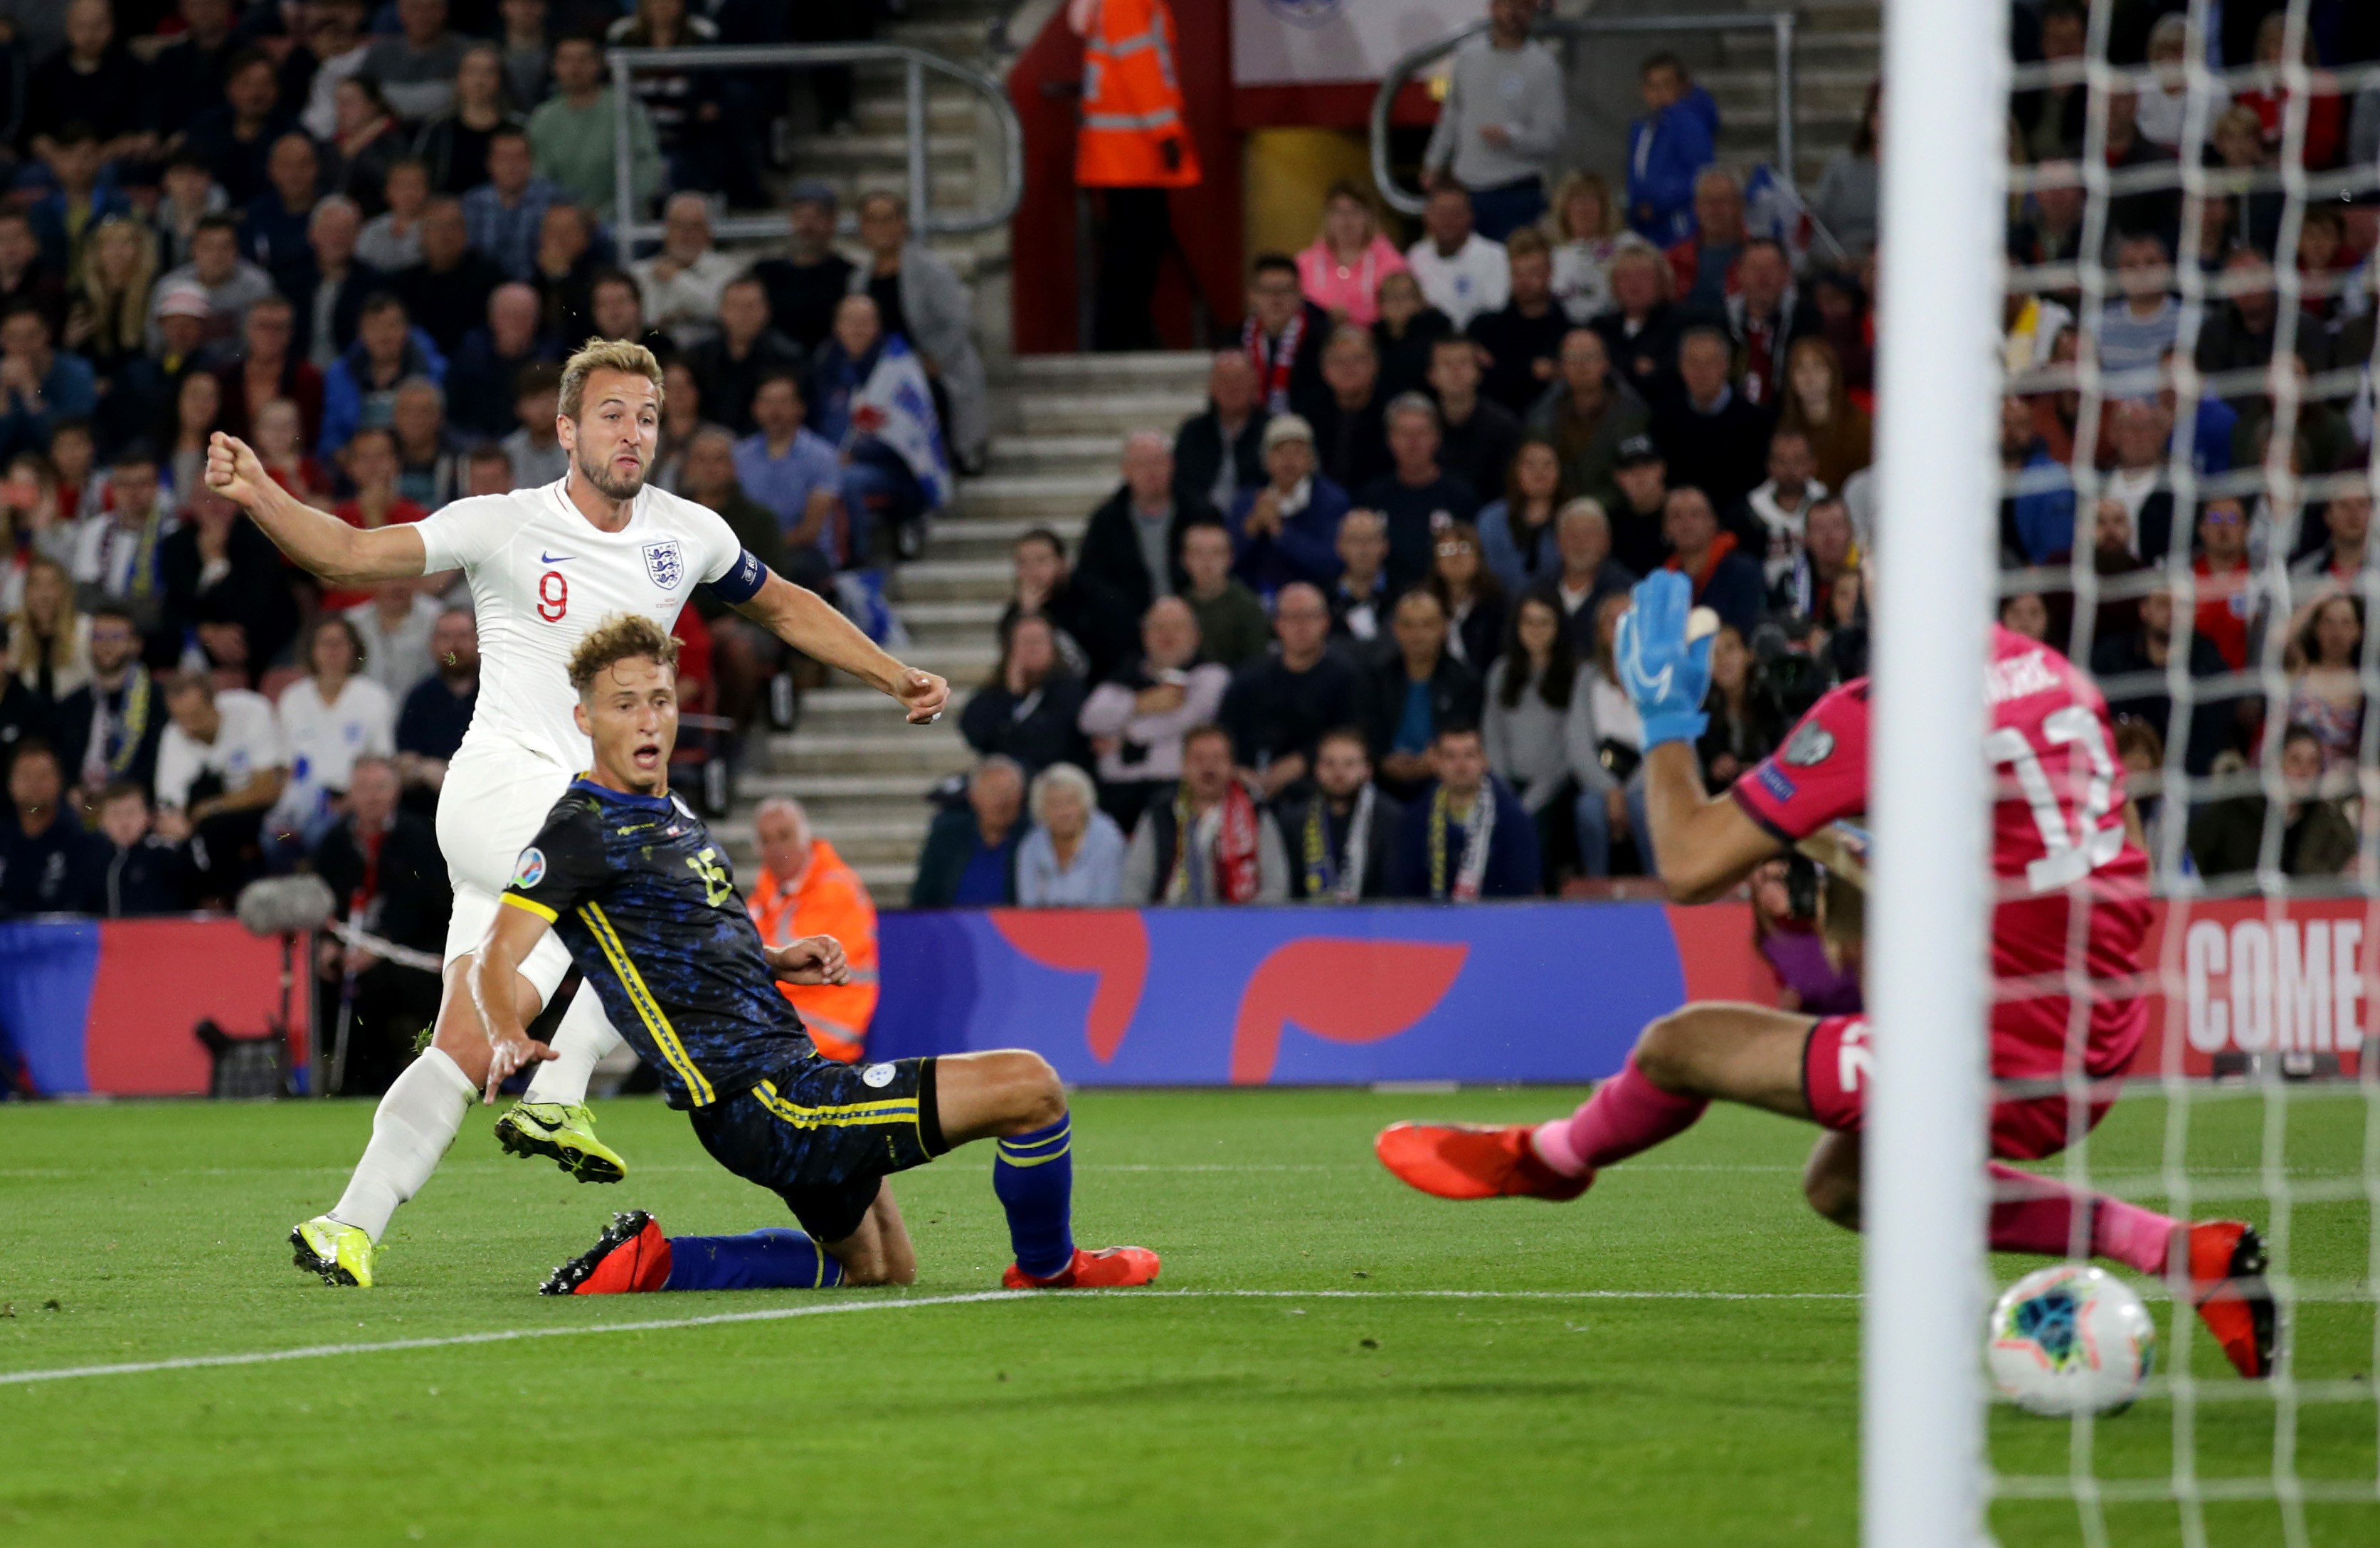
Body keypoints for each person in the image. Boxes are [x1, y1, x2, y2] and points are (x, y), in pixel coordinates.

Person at [1391, 571, 2283, 1387]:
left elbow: (1691, 862)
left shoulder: (1885, 710)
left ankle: (1551, 1160)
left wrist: (1663, 720)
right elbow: (2098, 835)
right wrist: (1864, 851)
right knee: (1846, 1184)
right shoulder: (2056, 680)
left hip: (2000, 1053)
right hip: (2101, 1032)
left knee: (1679, 1046)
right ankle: (2176, 1250)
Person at [202, 337, 950, 1290]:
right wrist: (262, 492)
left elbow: (788, 606)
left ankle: (349, 1224)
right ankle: (558, 1095)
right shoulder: (505, 523)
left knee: (464, 1046)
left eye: (645, 415)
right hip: (499, 791)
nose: (630, 431)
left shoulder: (689, 531)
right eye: (610, 414)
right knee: (637, 889)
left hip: (571, 824)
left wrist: (892, 674)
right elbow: (347, 553)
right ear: (566, 429)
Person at [477, 618, 1157, 1295]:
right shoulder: (579, 830)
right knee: (1031, 1086)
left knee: (884, 1267)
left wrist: (776, 957)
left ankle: (657, 1261)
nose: (648, 719)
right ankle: (1048, 1267)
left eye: (660, 698)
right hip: (765, 1100)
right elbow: (497, 952)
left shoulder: (668, 811)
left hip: (783, 1075)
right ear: (585, 717)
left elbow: (690, 935)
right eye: (624, 703)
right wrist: (509, 1031)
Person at [312, 755, 449, 1095]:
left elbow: (428, 904)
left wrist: (381, 943)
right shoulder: (333, 844)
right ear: (350, 794)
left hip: (410, 952)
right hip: (352, 949)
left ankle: (389, 1079)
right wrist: (328, 943)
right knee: (326, 985)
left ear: (396, 792)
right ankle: (341, 1081)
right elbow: (324, 902)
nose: (372, 797)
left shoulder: (421, 837)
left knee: (383, 985)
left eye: (381, 787)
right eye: (363, 788)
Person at [1074, 0, 1200, 353]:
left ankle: (1127, 334)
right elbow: (1140, 67)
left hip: (1126, 148)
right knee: (1134, 249)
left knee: (1134, 247)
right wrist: (1165, 131)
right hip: (1131, 148)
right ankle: (1118, 339)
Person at [850, 191, 990, 471]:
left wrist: (933, 360)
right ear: (863, 228)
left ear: (903, 224)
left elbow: (958, 320)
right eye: (873, 220)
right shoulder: (858, 280)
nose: (881, 228)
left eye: (888, 219)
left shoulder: (930, 270)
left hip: (932, 369)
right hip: (880, 372)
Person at [746, 796, 879, 1064]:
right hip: (788, 1034)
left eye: (785, 836)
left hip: (827, 1037)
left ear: (806, 836)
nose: (776, 848)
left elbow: (788, 969)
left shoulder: (834, 890)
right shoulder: (767, 893)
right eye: (766, 840)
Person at [1078, 596, 1231, 831]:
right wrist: (1140, 704)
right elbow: (1089, 719)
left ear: (1195, 636)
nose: (1167, 635)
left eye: (1177, 627)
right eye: (1159, 627)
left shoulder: (1211, 676)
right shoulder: (1123, 677)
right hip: (1117, 795)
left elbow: (1186, 721)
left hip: (1178, 792)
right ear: (1145, 636)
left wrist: (1123, 738)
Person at [1483, 592, 1597, 882]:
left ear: (1558, 628)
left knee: (1534, 838)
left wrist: (1530, 802)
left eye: (1544, 623)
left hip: (1555, 787)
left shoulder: (1578, 674)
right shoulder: (1501, 671)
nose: (1535, 630)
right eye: (1528, 622)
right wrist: (1504, 791)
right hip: (1506, 784)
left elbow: (1569, 745)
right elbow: (1492, 736)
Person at [265, 615, 397, 860]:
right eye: (324, 644)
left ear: (353, 649)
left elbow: (381, 762)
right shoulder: (293, 698)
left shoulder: (374, 697)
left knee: (322, 836)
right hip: (301, 801)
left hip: (350, 800)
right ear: (312, 651)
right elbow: (284, 765)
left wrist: (349, 802)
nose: (332, 652)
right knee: (272, 838)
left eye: (339, 644)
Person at [152, 670, 286, 903]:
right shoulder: (174, 735)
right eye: (180, 718)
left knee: (216, 826)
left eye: (194, 716)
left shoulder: (250, 711)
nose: (188, 727)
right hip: (210, 820)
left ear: (213, 701)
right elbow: (170, 805)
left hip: (267, 811)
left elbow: (268, 790)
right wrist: (177, 824)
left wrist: (212, 807)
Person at [1219, 581, 1360, 803]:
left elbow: (1352, 736)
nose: (1301, 626)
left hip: (1318, 788)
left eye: (1309, 617)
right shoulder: (1248, 679)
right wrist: (1237, 770)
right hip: (1248, 786)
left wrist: (1303, 761)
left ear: (1325, 622)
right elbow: (1223, 734)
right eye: (1292, 617)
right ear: (1277, 624)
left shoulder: (1347, 677)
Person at [1120, 722, 1289, 905]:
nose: (1209, 768)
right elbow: (1133, 886)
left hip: (1239, 926)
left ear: (1232, 766)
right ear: (1183, 766)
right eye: (1198, 759)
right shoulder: (1160, 815)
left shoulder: (1255, 814)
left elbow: (1276, 886)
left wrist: (1247, 924)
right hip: (1169, 925)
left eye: (1218, 759)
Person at [1388, 723, 1537, 900]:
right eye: (1450, 756)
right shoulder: (1414, 820)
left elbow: (1521, 889)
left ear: (1484, 761)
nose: (1461, 765)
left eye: (1470, 755)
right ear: (1435, 762)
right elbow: (1402, 890)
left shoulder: (1514, 819)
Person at [2187, 726, 2357, 881]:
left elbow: (2347, 866)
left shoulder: (2329, 819)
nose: (2305, 771)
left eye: (2313, 763)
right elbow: (2193, 862)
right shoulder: (2234, 808)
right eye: (2295, 760)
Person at [1360, 588, 1483, 801]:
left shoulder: (1464, 682)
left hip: (1443, 783)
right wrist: (1384, 761)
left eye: (1427, 625)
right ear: (1396, 629)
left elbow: (1467, 735)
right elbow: (1367, 732)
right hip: (1380, 784)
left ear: (1443, 628)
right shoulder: (1376, 678)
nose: (1417, 635)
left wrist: (1432, 761)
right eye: (1409, 625)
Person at [526, 33, 662, 223]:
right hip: (561, 225)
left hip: (621, 221)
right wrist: (567, 218)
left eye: (583, 60)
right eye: (566, 60)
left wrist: (604, 216)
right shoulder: (542, 118)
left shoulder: (626, 109)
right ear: (555, 66)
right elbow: (538, 179)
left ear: (599, 64)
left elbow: (647, 171)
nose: (575, 68)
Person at [1077, 431, 1210, 617]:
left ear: (1171, 465)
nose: (1151, 471)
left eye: (1157, 462)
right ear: (1126, 470)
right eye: (1141, 464)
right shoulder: (1106, 522)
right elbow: (1092, 580)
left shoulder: (1199, 514)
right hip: (1128, 625)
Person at [1357, 394, 1480, 594]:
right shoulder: (1372, 498)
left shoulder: (1460, 498)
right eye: (1403, 433)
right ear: (1390, 439)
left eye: (1421, 432)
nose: (1413, 442)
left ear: (1436, 437)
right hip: (1383, 599)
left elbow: (1469, 555)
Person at [1651, 326, 1772, 515]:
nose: (1701, 371)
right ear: (1681, 367)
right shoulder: (1664, 420)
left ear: (1726, 365)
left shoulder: (1756, 422)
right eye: (1694, 363)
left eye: (1710, 363)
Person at [1528, 330, 1651, 515]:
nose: (1581, 364)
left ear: (1605, 363)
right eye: (1572, 357)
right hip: (1556, 513)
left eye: (1590, 356)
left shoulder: (1632, 412)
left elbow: (1637, 473)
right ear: (1561, 366)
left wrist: (1587, 510)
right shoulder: (1542, 415)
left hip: (1618, 513)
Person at [733, 374, 847, 572]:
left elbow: (810, 530)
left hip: (806, 554)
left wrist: (764, 548)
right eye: (767, 402)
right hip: (750, 553)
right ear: (755, 409)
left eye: (783, 402)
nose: (775, 411)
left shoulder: (822, 456)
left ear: (800, 408)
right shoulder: (740, 456)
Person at [50, 604, 164, 803]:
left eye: (116, 637)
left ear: (135, 644)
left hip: (134, 807)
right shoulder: (72, 704)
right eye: (99, 637)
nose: (106, 644)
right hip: (83, 810)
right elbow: (62, 767)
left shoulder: (158, 700)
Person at [1276, 726, 1401, 902]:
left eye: (1349, 764)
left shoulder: (1391, 819)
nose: (1339, 773)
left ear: (1367, 770)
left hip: (1374, 924)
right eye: (1329, 764)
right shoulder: (1294, 820)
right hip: (1312, 924)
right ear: (1317, 769)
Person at [1000, 526, 1135, 689]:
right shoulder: (1016, 615)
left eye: (1041, 561)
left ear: (1062, 563)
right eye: (1023, 563)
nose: (1032, 571)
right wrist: (1029, 616)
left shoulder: (1097, 601)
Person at [1227, 413, 1345, 599]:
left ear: (1311, 459)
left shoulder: (1330, 500)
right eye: (1280, 452)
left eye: (1297, 452)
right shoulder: (1248, 500)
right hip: (1257, 600)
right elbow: (1227, 561)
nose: (1288, 461)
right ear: (1265, 459)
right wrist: (1251, 528)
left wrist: (1280, 531)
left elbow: (1331, 562)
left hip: (1315, 600)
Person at [961, 614, 1090, 778]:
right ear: (1010, 649)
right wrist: (1011, 696)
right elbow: (975, 732)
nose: (1033, 648)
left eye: (1039, 641)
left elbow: (1054, 742)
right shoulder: (995, 692)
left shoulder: (1070, 690)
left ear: (1052, 646)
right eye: (1026, 642)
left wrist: (1008, 733)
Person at [1466, 229, 1570, 418]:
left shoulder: (1569, 331)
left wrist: (1501, 368)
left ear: (1549, 272)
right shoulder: (1484, 328)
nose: (1525, 281)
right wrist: (1533, 372)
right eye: (1517, 273)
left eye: (1533, 272)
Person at [688, 276, 805, 441]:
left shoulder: (787, 358)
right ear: (722, 311)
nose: (743, 315)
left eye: (750, 307)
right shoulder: (700, 356)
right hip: (710, 445)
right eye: (735, 307)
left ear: (766, 310)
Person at [750, 182, 857, 359]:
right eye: (800, 216)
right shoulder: (765, 272)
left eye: (816, 217)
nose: (807, 225)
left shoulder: (848, 275)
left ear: (832, 222)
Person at [1624, 51, 1718, 246]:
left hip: (1680, 228)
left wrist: (1658, 204)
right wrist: (1637, 205)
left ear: (1683, 87)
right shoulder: (1643, 129)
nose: (1659, 93)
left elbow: (1701, 175)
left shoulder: (1689, 125)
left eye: (1667, 85)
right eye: (1653, 86)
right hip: (1647, 227)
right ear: (1644, 90)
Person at [0, 739, 104, 915]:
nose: (35, 784)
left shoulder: (83, 844)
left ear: (60, 781)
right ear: (10, 784)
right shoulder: (4, 838)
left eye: (43, 775)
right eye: (26, 775)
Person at [911, 756, 1027, 909]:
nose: (1002, 801)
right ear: (973, 796)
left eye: (1008, 792)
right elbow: (922, 898)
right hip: (952, 927)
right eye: (993, 792)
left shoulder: (1030, 840)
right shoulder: (947, 837)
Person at [633, 194, 742, 352]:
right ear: (667, 230)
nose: (686, 234)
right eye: (678, 226)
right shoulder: (642, 274)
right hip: (658, 355)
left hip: (713, 359)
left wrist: (677, 278)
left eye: (695, 226)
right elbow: (646, 320)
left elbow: (720, 308)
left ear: (709, 231)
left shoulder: (729, 270)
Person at [1015, 761, 1127, 907]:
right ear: (1041, 810)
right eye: (1054, 804)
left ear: (1085, 803)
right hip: (1043, 928)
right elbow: (1028, 906)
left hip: (1099, 926)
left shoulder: (1108, 840)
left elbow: (1107, 905)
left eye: (1071, 802)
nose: (1064, 812)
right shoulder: (1031, 845)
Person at [1427, 330, 1521, 503]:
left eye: (1463, 363)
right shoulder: (1421, 427)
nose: (1456, 372)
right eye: (1447, 364)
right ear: (1432, 376)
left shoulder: (1503, 427)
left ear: (1479, 372)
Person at [1296, 183, 1410, 327]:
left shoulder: (1393, 265)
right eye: (1338, 212)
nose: (1346, 220)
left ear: (1369, 217)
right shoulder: (1303, 263)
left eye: (1355, 212)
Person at [1173, 352, 1267, 522]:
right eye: (1224, 380)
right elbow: (1182, 485)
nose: (1232, 387)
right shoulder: (1193, 432)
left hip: (1256, 524)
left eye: (1239, 379)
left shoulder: (1271, 429)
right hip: (1201, 524)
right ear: (1212, 387)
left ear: (1254, 383)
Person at [394, 605, 478, 798]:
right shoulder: (420, 698)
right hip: (429, 806)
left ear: (479, 640)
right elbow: (404, 760)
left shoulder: (497, 693)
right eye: (446, 637)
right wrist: (424, 770)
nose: (454, 646)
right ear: (433, 644)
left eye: (463, 636)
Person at [1660, 486, 1765, 638]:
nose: (1686, 524)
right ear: (1666, 528)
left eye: (1695, 515)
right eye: (1676, 516)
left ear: (1712, 522)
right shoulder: (1662, 581)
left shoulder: (1743, 572)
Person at [1405, 183, 1508, 332]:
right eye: (1441, 213)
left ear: (1470, 216)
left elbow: (1495, 312)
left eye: (1455, 213)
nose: (1448, 221)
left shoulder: (1494, 256)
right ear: (1427, 216)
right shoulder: (1416, 255)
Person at [80, 780, 192, 917]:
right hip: (106, 937)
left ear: (148, 817)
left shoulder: (165, 856)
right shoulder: (91, 861)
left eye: (131, 813)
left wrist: (188, 840)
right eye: (116, 814)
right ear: (102, 821)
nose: (124, 822)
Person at [1774, 337, 1872, 495]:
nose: (1810, 378)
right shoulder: (1783, 429)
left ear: (1833, 373)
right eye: (1801, 369)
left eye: (1818, 368)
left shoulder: (1861, 429)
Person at [0, 305, 95, 463]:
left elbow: (69, 443)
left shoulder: (77, 373)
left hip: (62, 468)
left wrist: (31, 394)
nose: (23, 345)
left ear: (46, 334)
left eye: (31, 336)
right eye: (14, 337)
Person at [1242, 252, 1332, 417]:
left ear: (1300, 294)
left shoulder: (1323, 339)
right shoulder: (1236, 341)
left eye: (1285, 290)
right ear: (1251, 295)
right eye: (1267, 290)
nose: (1276, 299)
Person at [1306, 325, 1392, 495]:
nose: (1348, 368)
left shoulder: (1392, 412)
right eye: (1338, 361)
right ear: (1324, 369)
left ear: (1375, 364)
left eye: (1358, 359)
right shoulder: (1308, 411)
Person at [1477, 436, 1565, 598]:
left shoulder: (1573, 520)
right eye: (1530, 465)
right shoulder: (1491, 521)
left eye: (1548, 465)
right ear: (1516, 470)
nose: (1539, 472)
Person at [1178, 520, 1268, 671]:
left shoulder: (1247, 607)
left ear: (1230, 558)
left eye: (1216, 553)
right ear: (1185, 559)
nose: (1207, 562)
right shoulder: (1179, 608)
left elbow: (1256, 665)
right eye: (1198, 553)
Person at [1810, 82, 1881, 257]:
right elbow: (1818, 229)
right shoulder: (1840, 168)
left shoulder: (1927, 172)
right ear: (1869, 117)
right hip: (1845, 268)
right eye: (1880, 111)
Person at [1548, 171, 1626, 324]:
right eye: (1577, 202)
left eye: (1592, 201)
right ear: (1565, 210)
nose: (1585, 209)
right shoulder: (1553, 256)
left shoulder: (1625, 246)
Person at [1428, 520, 1504, 673]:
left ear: (1479, 558)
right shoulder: (1425, 603)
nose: (1456, 557)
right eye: (1447, 550)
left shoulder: (1499, 604)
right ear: (1436, 562)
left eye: (1465, 549)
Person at [1327, 507, 1394, 654]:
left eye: (1370, 540)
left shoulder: (1402, 595)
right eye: (1354, 540)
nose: (1363, 550)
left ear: (1385, 546)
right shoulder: (1323, 599)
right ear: (1339, 546)